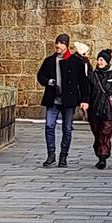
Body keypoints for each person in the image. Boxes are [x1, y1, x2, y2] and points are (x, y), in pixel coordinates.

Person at [36, 33, 89, 168]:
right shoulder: (49, 61)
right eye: (57, 43)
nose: (58, 45)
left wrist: (84, 100)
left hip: (68, 100)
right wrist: (48, 81)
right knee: (49, 126)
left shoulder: (75, 61)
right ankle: (51, 154)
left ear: (66, 45)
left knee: (67, 128)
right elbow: (40, 76)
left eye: (61, 43)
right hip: (53, 99)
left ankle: (63, 156)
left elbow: (83, 82)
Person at [86, 49, 112, 170]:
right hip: (95, 109)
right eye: (98, 59)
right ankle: (100, 152)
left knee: (105, 133)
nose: (99, 62)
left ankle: (102, 157)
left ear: (107, 62)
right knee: (97, 133)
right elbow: (87, 90)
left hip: (110, 110)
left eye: (102, 60)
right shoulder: (93, 75)